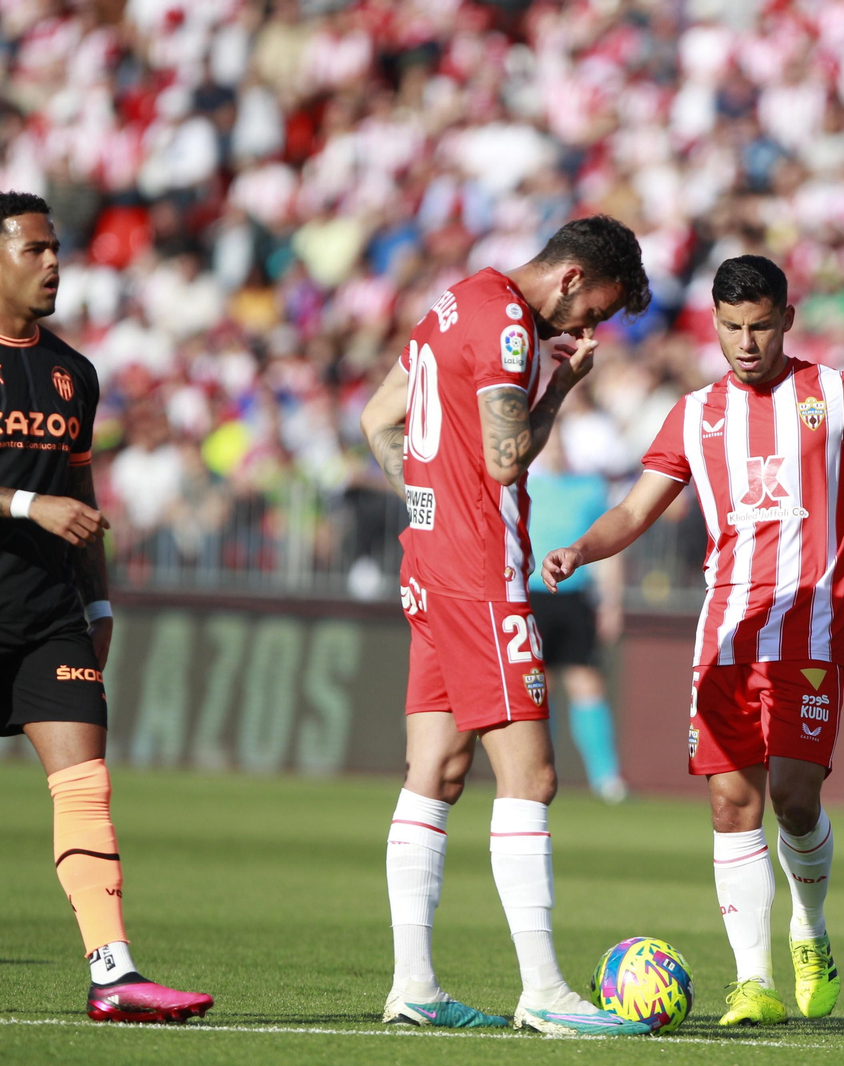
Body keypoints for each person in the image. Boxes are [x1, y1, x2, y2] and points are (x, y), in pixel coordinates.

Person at [540, 255, 844, 1027]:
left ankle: (809, 930)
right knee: (729, 801)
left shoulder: (836, 396)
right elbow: (638, 508)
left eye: (758, 327)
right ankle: (753, 980)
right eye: (730, 329)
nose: (745, 344)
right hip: (725, 632)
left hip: (811, 625)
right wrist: (582, 549)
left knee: (792, 793)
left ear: (787, 317)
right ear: (713, 325)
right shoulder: (695, 414)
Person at [357, 215, 653, 1036]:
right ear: (570, 278)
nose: (593, 325)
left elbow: (378, 422)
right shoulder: (509, 327)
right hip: (482, 575)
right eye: (599, 306)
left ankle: (413, 985)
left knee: (437, 772)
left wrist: (428, 506)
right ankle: (546, 992)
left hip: (429, 566)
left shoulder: (453, 302)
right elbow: (506, 459)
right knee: (532, 778)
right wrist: (561, 389)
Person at [0, 192, 213, 1023]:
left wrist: (97, 598)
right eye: (35, 250)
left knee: (87, 787)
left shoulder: (75, 371)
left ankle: (114, 972)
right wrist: (31, 508)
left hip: (50, 611)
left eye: (56, 248)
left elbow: (81, 490)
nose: (54, 262)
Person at [526, 429, 627, 803]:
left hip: (575, 597)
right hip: (533, 595)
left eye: (559, 443)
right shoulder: (528, 487)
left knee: (586, 683)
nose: (554, 450)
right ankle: (537, 768)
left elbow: (611, 547)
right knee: (538, 688)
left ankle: (606, 778)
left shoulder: (589, 489)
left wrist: (611, 602)